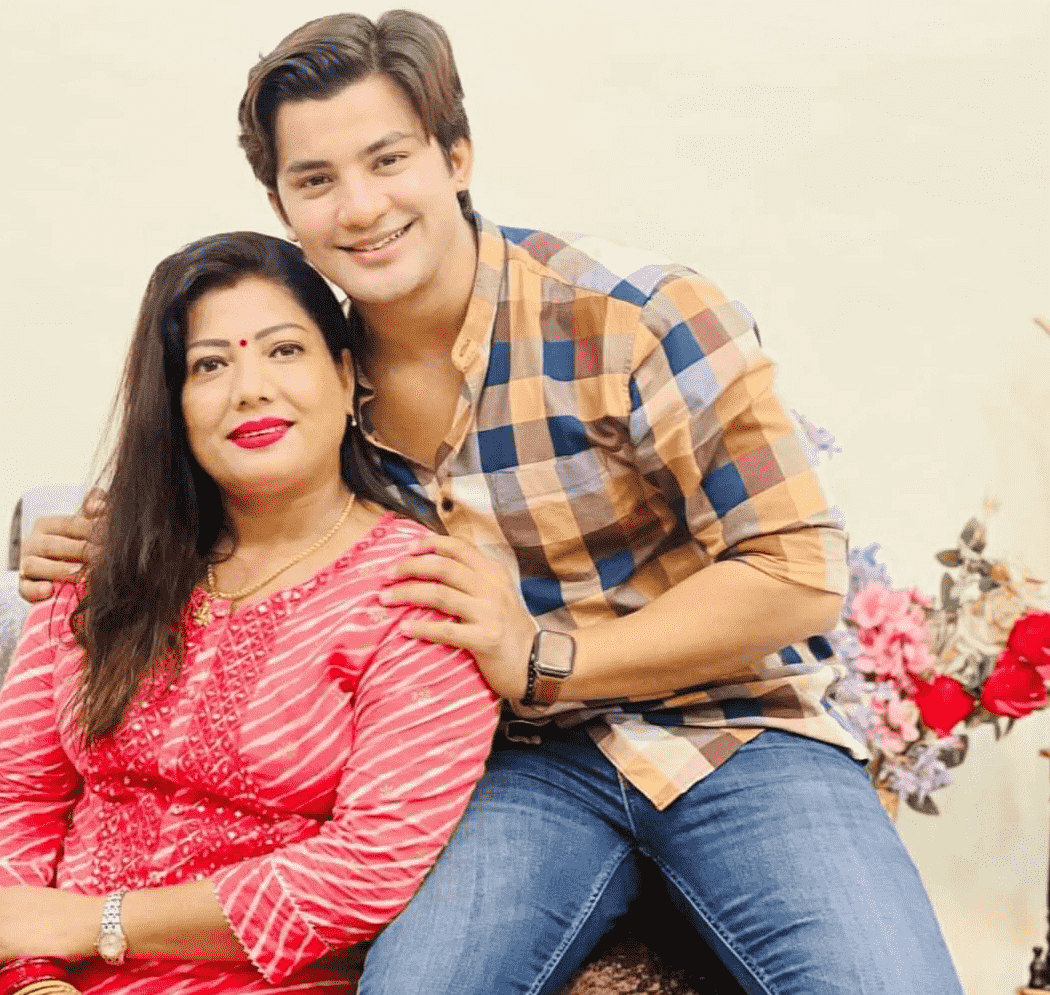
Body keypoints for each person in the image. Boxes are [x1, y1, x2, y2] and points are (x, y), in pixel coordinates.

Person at [20, 11, 965, 994]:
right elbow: (215, 481)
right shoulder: (308, 371)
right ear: (283, 204)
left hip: (737, 735)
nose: (362, 207)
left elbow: (797, 571)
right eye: (317, 180)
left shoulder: (636, 313)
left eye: (389, 159)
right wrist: (93, 539)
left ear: (457, 155)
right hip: (517, 771)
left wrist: (550, 658)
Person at [0, 231, 499, 992]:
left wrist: (96, 922)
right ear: (173, 403)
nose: (250, 389)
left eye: (284, 351)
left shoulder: (418, 591)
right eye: (209, 365)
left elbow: (368, 869)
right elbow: (20, 793)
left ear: (346, 376)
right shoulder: (104, 561)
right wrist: (35, 972)